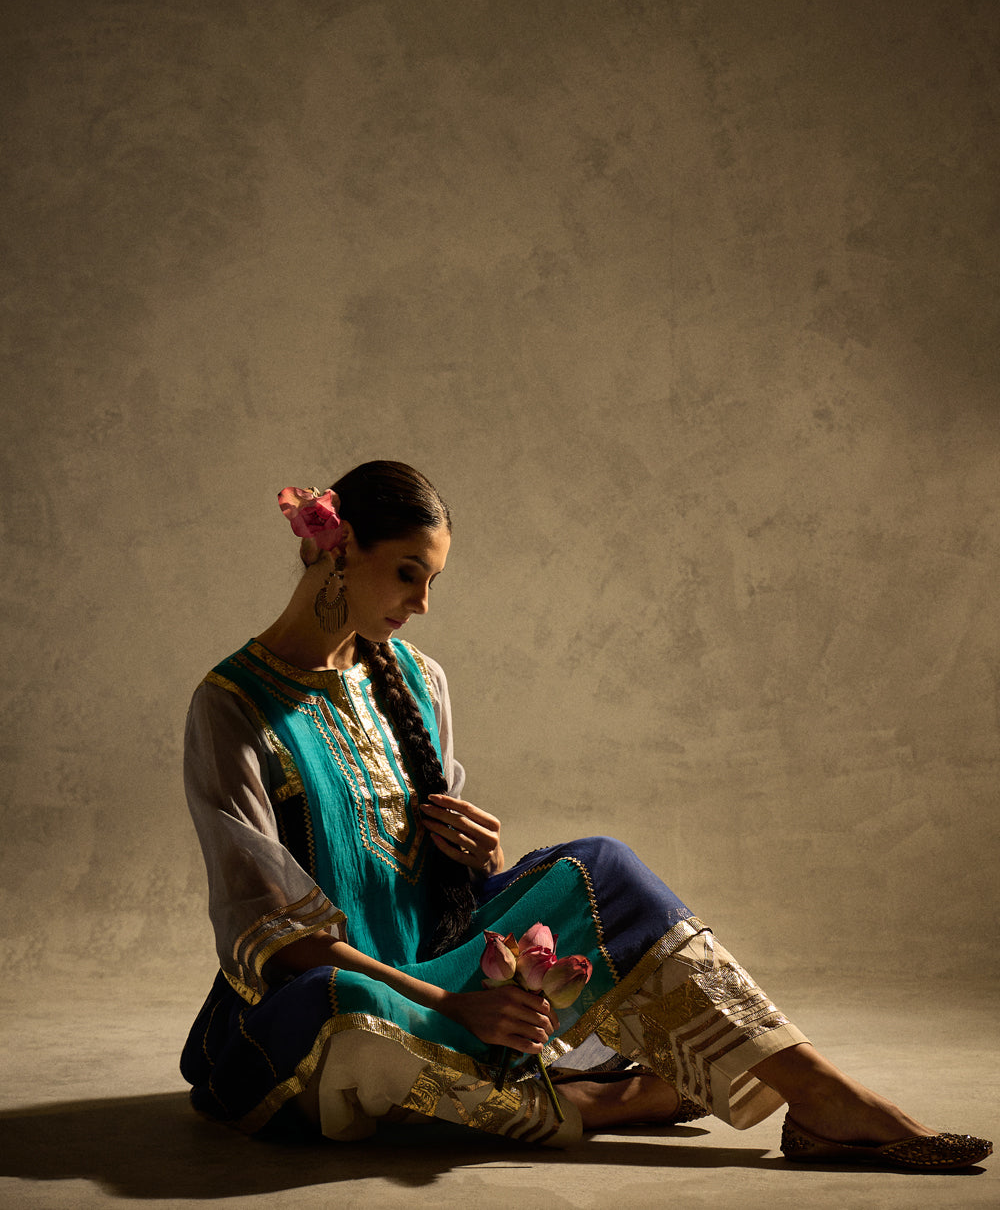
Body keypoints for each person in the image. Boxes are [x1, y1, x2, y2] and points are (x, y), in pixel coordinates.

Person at [181, 461, 990, 1168]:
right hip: (345, 1003)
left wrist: (480, 861)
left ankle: (818, 1092)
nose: (422, 604)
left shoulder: (419, 679)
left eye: (433, 582)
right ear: (337, 547)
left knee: (601, 866)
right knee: (344, 1013)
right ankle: (606, 1101)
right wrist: (449, 1003)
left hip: (446, 981)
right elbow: (277, 940)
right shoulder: (233, 706)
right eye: (406, 574)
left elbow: (444, 896)